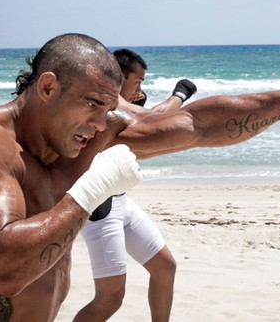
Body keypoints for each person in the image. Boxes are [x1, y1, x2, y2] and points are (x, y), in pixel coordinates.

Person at [0, 33, 280, 321]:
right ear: (49, 86)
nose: (103, 122)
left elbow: (198, 125)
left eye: (108, 107)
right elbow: (5, 269)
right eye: (92, 104)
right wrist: (91, 190)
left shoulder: (90, 134)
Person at [76, 48, 197, 322]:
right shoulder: (108, 107)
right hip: (100, 213)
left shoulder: (125, 107)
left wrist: (140, 105)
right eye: (138, 81)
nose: (140, 88)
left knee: (165, 267)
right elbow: (157, 121)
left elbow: (144, 120)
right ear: (119, 78)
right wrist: (181, 94)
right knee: (110, 299)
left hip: (121, 203)